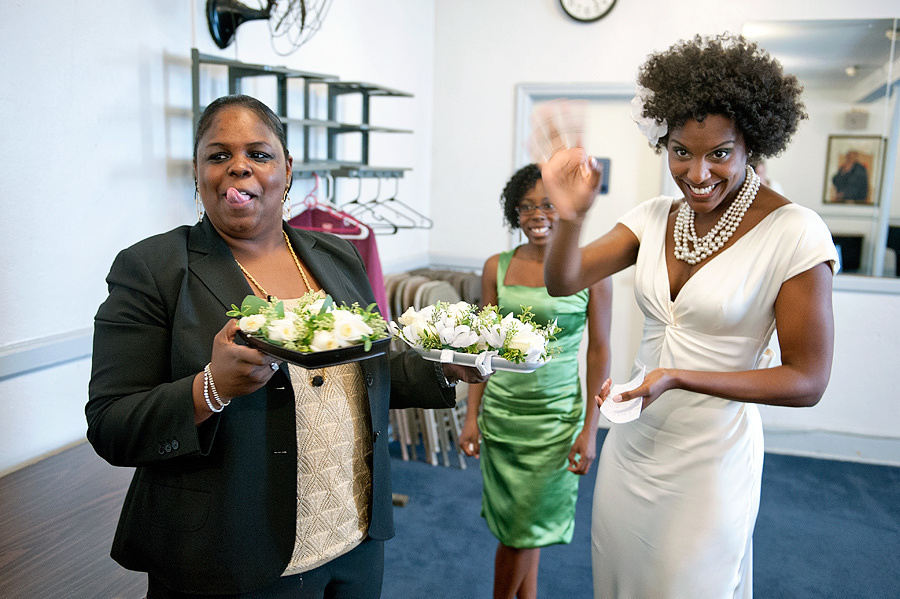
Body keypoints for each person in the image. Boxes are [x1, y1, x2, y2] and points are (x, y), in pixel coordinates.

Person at [85, 94, 488, 599]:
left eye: (259, 153)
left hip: (354, 537)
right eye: (218, 155)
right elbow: (110, 424)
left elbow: (368, 369)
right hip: (231, 555)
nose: (239, 168)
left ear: (288, 168)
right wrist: (211, 388)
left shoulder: (336, 256)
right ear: (196, 170)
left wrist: (449, 365)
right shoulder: (155, 269)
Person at [539, 34, 838, 598]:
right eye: (681, 150)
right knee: (620, 581)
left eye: (719, 153)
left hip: (711, 461)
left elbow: (808, 380)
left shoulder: (795, 232)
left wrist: (677, 377)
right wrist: (570, 217)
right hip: (634, 444)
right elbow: (563, 280)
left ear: (753, 142)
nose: (697, 173)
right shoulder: (653, 217)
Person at [458, 164, 612, 599]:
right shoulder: (496, 266)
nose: (536, 214)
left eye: (547, 203)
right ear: (514, 213)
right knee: (522, 527)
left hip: (556, 419)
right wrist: (471, 416)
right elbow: (480, 351)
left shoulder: (593, 270)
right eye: (525, 206)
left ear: (565, 209)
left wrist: (590, 429)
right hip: (503, 416)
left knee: (522, 533)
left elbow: (600, 350)